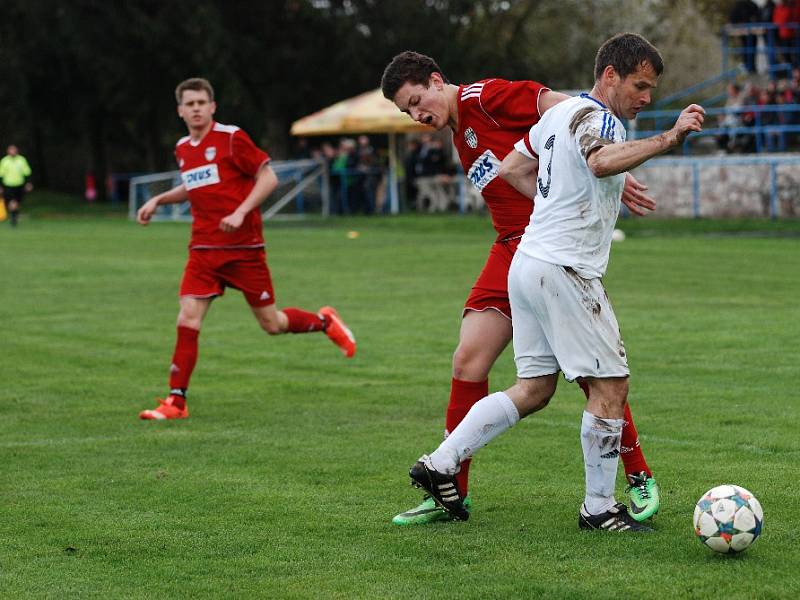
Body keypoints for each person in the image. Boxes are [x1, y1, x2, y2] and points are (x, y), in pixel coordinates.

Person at [407, 34, 704, 532]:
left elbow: (513, 166)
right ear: (609, 76)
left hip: (525, 262)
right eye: (640, 85)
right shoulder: (599, 119)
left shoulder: (553, 118)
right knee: (610, 384)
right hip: (566, 267)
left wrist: (551, 202)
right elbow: (600, 159)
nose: (646, 98)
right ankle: (600, 509)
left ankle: (439, 462)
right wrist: (669, 138)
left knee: (534, 387)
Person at [136, 78, 356, 420]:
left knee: (272, 323)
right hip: (203, 251)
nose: (195, 108)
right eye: (189, 104)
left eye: (201, 102)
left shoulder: (231, 138)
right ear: (180, 111)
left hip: (244, 249)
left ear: (212, 107)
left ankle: (324, 322)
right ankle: (176, 402)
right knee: (187, 318)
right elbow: (194, 185)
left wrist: (240, 212)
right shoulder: (183, 148)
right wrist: (159, 199)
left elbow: (267, 178)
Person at [0, 145, 33, 227]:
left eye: (14, 150)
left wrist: (28, 183)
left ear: (17, 151)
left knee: (17, 202)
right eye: (11, 150)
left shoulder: (21, 160)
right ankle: (14, 217)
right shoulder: (4, 161)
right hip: (8, 185)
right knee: (11, 202)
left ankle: (14, 214)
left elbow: (27, 172)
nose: (12, 152)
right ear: (8, 151)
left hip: (19, 185)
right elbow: (0, 175)